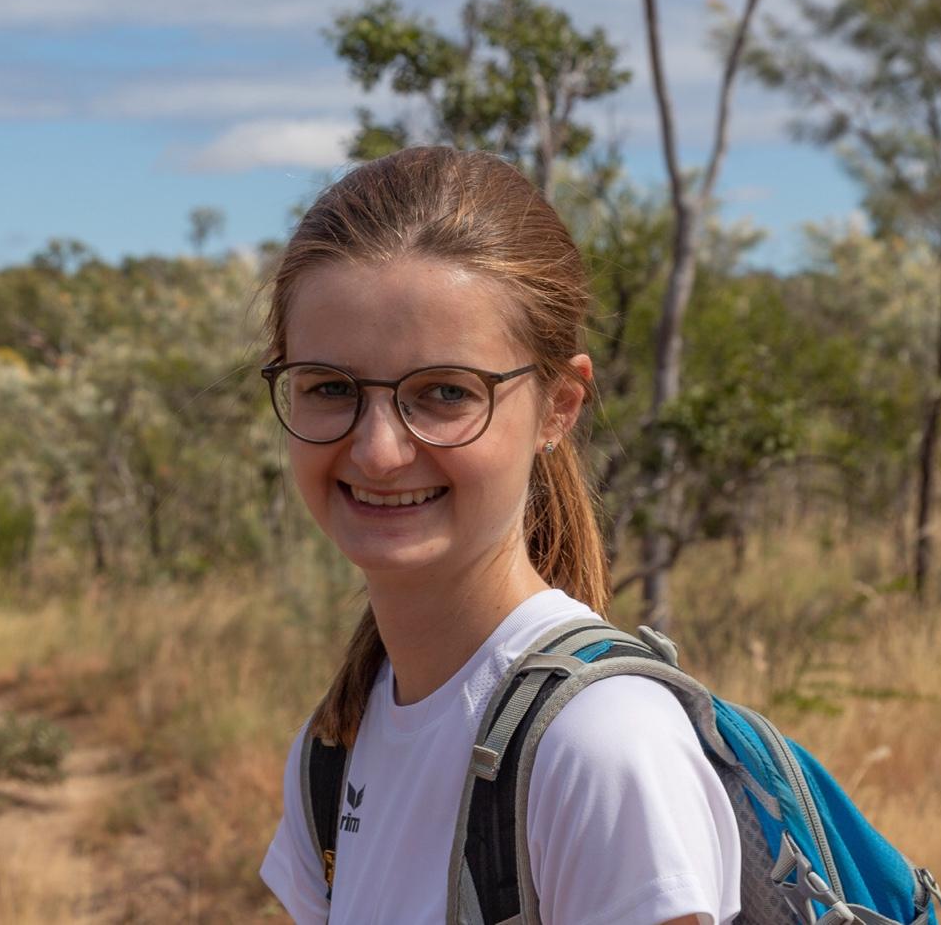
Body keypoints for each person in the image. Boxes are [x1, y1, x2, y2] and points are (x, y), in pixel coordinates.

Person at [257, 147, 742, 925]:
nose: (378, 450)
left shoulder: (602, 746)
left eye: (446, 392)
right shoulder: (334, 749)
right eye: (331, 387)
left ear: (559, 406)